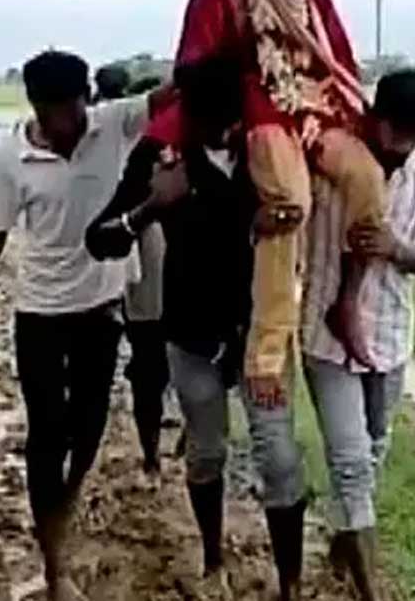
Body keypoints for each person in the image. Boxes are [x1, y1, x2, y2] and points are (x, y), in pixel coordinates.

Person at [0, 50, 156, 601]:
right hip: (41, 315)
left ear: (85, 100)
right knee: (47, 436)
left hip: (102, 310)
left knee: (90, 426)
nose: (63, 126)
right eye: (50, 115)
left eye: (71, 111)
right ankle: (54, 564)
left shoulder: (117, 123)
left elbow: (179, 94)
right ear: (35, 108)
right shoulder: (11, 157)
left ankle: (62, 507)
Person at [87, 55, 307, 601]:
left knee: (279, 459)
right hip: (191, 333)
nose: (220, 133)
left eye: (228, 122)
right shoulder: (160, 156)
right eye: (206, 123)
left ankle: (292, 584)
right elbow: (101, 239)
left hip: (261, 331)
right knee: (208, 451)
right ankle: (213, 561)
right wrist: (150, 208)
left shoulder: (270, 153)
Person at [148, 0, 385, 408]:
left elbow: (337, 56)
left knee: (367, 179)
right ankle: (266, 355)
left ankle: (347, 301)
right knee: (289, 206)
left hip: (318, 108)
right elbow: (193, 70)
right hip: (261, 113)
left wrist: (355, 114)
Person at [301, 67, 415, 601]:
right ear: (375, 119)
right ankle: (372, 592)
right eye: (400, 129)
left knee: (373, 452)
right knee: (349, 459)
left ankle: (345, 544)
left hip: (389, 335)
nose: (407, 144)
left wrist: (395, 248)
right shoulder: (326, 163)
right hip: (326, 338)